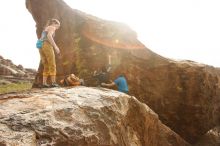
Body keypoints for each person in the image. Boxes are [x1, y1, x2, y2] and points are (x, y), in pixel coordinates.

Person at [38, 19, 61, 88]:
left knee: (46, 64)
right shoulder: (52, 27)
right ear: (54, 23)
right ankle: (53, 82)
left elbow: (43, 37)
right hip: (47, 45)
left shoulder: (46, 28)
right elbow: (49, 36)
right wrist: (55, 47)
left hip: (40, 45)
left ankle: (44, 83)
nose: (57, 28)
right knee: (52, 63)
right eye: (58, 26)